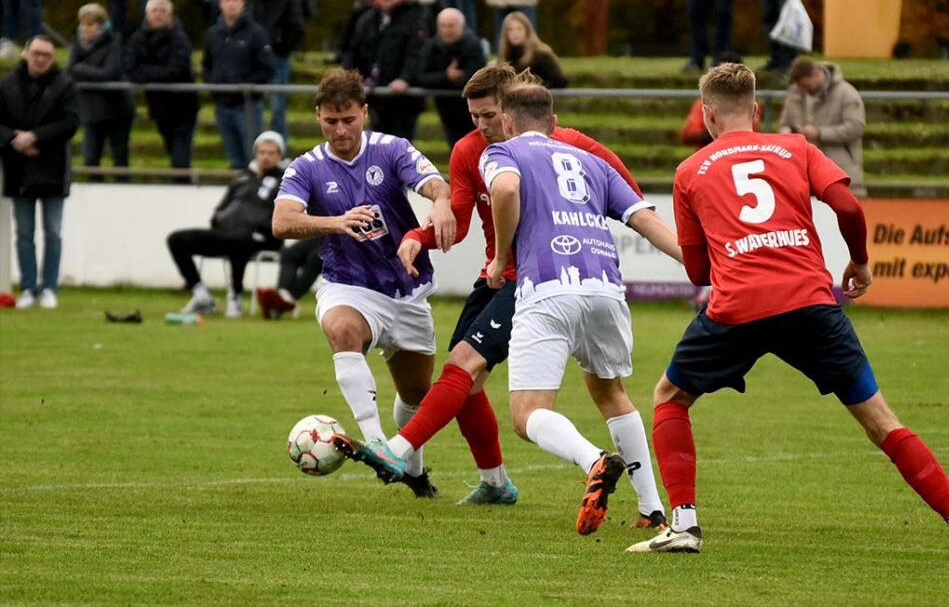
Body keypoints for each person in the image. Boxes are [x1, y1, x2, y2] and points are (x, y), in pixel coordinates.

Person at [626, 63, 949, 560]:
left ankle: (686, 526)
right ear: (757, 110)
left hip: (737, 307)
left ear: (708, 114)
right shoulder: (796, 148)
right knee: (879, 419)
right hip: (809, 301)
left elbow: (699, 273)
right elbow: (848, 207)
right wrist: (860, 262)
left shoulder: (690, 170)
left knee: (670, 395)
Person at [339, 66, 668, 523]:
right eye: (473, 116)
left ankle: (398, 450)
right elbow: (457, 215)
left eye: (489, 115)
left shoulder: (569, 143)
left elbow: (627, 195)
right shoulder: (470, 150)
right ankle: (496, 482)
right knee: (469, 383)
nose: (481, 126)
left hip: (533, 279)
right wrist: (420, 234)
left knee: (465, 369)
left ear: (511, 111)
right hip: (501, 278)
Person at [478, 81, 680, 535]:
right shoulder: (593, 162)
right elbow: (645, 220)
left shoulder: (501, 152)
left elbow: (506, 191)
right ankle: (651, 508)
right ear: (552, 122)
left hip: (549, 289)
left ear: (507, 121)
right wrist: (697, 262)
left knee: (527, 412)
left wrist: (500, 258)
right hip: (606, 290)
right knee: (610, 391)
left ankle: (593, 460)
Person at [272, 68, 456, 497]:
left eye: (349, 119)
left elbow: (433, 183)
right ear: (318, 116)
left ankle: (413, 471)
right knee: (342, 329)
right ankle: (375, 442)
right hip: (348, 286)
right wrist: (335, 222)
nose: (341, 130)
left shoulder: (392, 150)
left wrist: (442, 202)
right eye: (331, 121)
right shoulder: (307, 168)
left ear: (364, 112)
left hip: (406, 289)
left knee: (414, 393)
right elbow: (282, 222)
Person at [168, 131, 287, 318]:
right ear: (256, 153)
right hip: (227, 233)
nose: (266, 157)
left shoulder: (285, 180)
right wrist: (220, 219)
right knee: (177, 239)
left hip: (262, 237)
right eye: (262, 152)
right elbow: (222, 207)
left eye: (271, 153)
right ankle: (201, 295)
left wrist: (259, 226)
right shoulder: (242, 178)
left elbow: (284, 213)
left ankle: (235, 296)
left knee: (239, 240)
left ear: (280, 155)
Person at [0, 36, 79, 309]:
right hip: (18, 168)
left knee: (53, 231)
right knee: (24, 232)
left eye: (46, 54)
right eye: (36, 53)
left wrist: (35, 138)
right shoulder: (7, 84)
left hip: (52, 167)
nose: (41, 58)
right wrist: (14, 139)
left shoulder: (64, 85)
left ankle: (49, 288)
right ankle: (28, 288)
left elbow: (70, 123)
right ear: (26, 54)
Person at [341, 0, 428, 141]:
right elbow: (353, 51)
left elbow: (418, 53)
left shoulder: (416, 18)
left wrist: (405, 79)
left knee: (401, 149)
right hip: (375, 97)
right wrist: (353, 78)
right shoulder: (367, 19)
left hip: (404, 100)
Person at [124, 0, 200, 174]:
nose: (158, 14)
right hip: (158, 106)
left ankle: (182, 185)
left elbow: (176, 71)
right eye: (154, 11)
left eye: (163, 11)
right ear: (147, 14)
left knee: (180, 157)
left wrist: (146, 71)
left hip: (183, 107)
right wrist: (157, 72)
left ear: (170, 14)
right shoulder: (137, 38)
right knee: (171, 149)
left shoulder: (180, 38)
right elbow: (131, 70)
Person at [202, 0, 275, 169]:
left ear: (243, 3)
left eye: (235, 0)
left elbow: (267, 68)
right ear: (220, 4)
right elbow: (207, 65)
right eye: (227, 0)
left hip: (247, 105)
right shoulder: (213, 34)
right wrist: (214, 85)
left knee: (253, 155)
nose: (231, 5)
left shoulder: (257, 33)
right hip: (222, 104)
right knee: (233, 157)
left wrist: (245, 86)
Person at [778, 56, 867, 196]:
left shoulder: (847, 93)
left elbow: (856, 127)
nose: (805, 91)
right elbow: (785, 122)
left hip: (841, 169)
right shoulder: (795, 93)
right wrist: (786, 132)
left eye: (807, 87)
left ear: (815, 74)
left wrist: (820, 133)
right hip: (804, 171)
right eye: (801, 87)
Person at [67, 3, 135, 178]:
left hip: (117, 110)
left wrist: (81, 69)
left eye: (90, 24)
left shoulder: (114, 42)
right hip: (90, 111)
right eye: (83, 24)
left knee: (120, 159)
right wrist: (84, 70)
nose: (85, 29)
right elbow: (69, 71)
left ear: (100, 25)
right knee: (90, 159)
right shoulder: (76, 44)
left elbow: (109, 73)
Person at [246, 0, 306, 144]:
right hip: (254, 55)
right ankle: (259, 148)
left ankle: (280, 147)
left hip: (278, 55)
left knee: (277, 105)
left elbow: (296, 24)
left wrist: (282, 45)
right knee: (256, 104)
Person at [416, 8, 486, 148]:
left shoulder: (473, 46)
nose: (446, 30)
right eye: (443, 26)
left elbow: (476, 78)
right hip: (446, 110)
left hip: (470, 111)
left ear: (461, 27)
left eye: (451, 26)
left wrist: (449, 80)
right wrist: (446, 76)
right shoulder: (432, 46)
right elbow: (420, 77)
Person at [680, 53, 762, 150]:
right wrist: (710, 136)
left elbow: (754, 136)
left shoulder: (748, 104)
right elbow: (688, 134)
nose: (725, 80)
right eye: (721, 75)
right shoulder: (702, 104)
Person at [256, 238, 321, 319]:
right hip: (325, 234)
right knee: (288, 254)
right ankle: (282, 294)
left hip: (339, 240)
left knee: (315, 258)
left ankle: (286, 300)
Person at [498, 11, 567, 88]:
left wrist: (534, 89)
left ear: (527, 31)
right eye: (510, 29)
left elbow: (560, 81)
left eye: (519, 28)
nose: (515, 33)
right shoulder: (505, 59)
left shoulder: (541, 55)